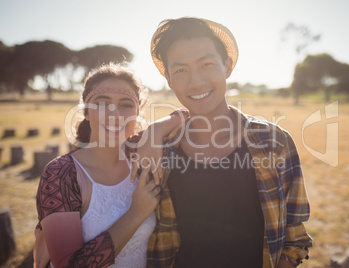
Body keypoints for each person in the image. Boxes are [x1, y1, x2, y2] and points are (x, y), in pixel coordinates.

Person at [147, 17, 313, 268]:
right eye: (181, 70)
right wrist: (153, 132)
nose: (195, 81)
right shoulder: (158, 149)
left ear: (227, 66)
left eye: (206, 64)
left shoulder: (274, 142)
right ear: (169, 79)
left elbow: (294, 233)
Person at [34, 63, 187, 268]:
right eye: (102, 103)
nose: (115, 114)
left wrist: (156, 129)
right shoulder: (62, 173)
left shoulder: (137, 154)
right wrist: (135, 214)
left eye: (126, 104)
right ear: (87, 113)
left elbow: (189, 112)